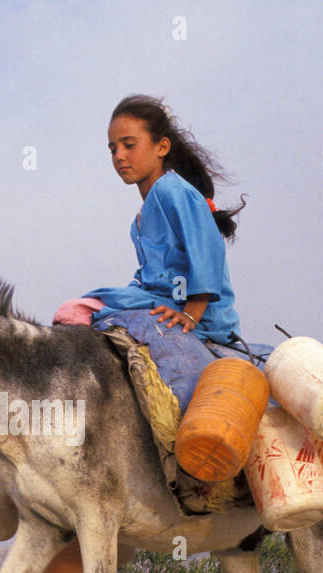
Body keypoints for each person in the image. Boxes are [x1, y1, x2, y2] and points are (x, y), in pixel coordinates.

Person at [54, 94, 271, 411]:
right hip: (161, 299)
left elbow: (207, 253)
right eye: (113, 149)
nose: (119, 156)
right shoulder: (140, 218)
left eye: (129, 145)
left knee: (77, 308)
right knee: (87, 312)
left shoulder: (173, 190)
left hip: (198, 311)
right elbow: (148, 275)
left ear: (162, 147)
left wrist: (190, 314)